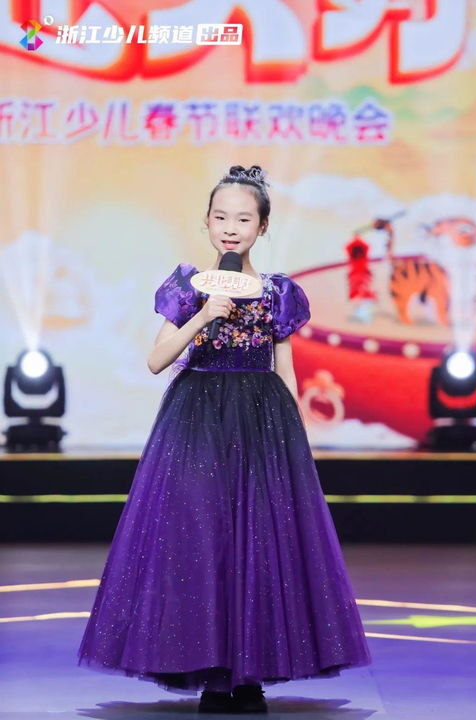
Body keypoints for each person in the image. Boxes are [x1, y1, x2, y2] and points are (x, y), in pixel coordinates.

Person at [77, 165, 372, 714]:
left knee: (260, 543)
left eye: (243, 219)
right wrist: (202, 317)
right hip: (197, 421)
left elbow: (285, 368)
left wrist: (296, 440)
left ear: (263, 227)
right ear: (207, 223)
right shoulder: (189, 286)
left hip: (262, 424)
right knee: (200, 540)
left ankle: (250, 674)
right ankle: (211, 673)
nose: (230, 228)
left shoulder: (278, 292)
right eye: (220, 217)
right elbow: (156, 359)